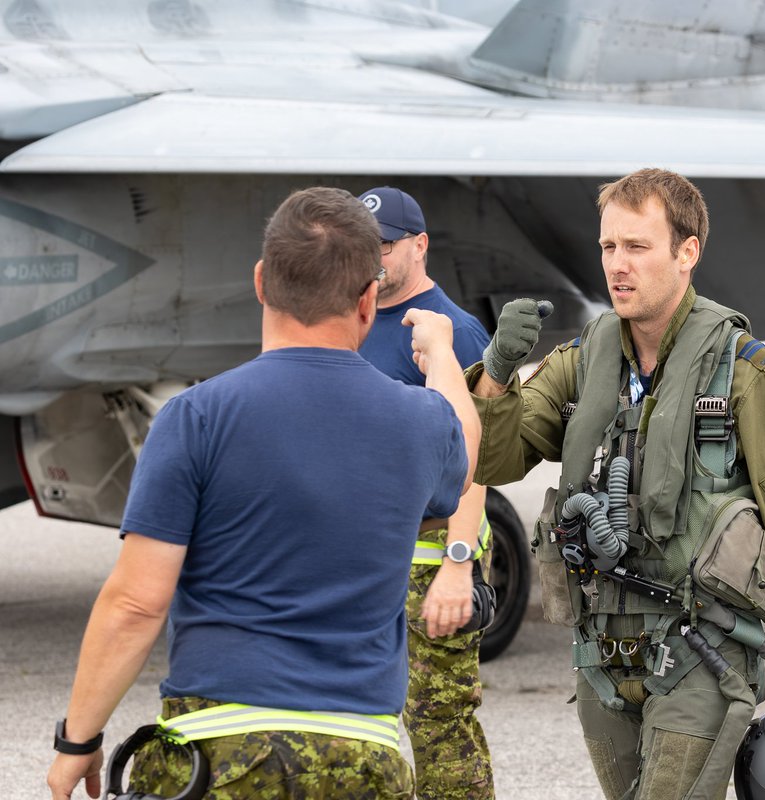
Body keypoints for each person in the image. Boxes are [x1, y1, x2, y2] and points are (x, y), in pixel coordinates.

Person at [46, 187, 480, 800]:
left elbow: (135, 605)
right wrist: (440, 357)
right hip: (362, 753)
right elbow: (463, 450)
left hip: (215, 748)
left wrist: (78, 741)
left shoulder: (194, 417)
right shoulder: (419, 423)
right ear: (366, 299)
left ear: (260, 281)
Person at [465, 169, 765, 799]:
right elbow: (496, 458)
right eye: (608, 247)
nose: (618, 265)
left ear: (687, 252)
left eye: (637, 247)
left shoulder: (749, 373)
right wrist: (499, 371)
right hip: (600, 661)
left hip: (699, 655)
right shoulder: (585, 361)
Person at [355, 185, 495, 800]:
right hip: (364, 562)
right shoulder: (351, 320)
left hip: (430, 558)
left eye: (385, 245)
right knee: (361, 726)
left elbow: (474, 460)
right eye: (364, 246)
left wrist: (459, 566)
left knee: (438, 724)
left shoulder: (451, 332)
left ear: (419, 245)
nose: (374, 257)